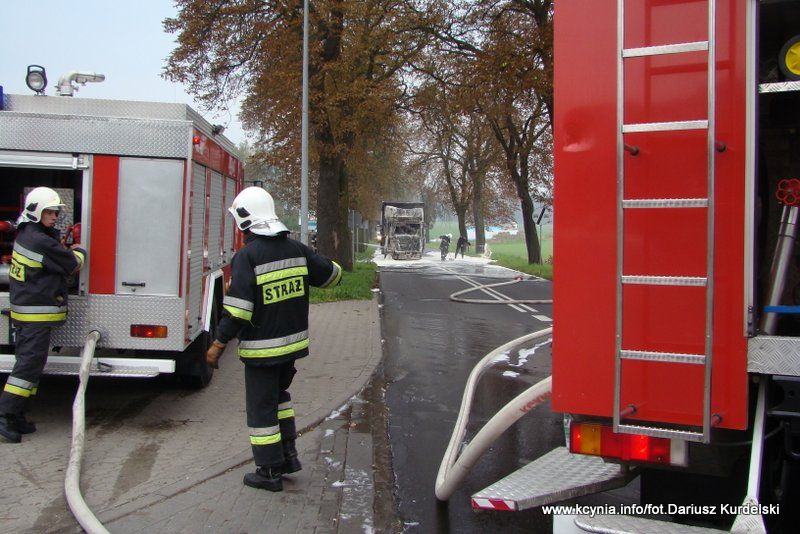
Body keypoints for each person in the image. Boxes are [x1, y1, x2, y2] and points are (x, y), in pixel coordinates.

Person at [205, 187, 342, 492]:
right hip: (292, 349)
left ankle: (268, 472)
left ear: (244, 220)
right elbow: (333, 276)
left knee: (261, 410)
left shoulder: (247, 256)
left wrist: (217, 343)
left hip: (261, 352)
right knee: (279, 401)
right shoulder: (296, 249)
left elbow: (239, 311)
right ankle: (287, 457)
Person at [0, 187, 87, 443]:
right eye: (49, 211)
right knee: (26, 367)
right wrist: (80, 248)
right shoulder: (40, 241)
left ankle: (17, 415)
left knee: (31, 366)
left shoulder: (27, 233)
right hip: (35, 315)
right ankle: (5, 414)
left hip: (29, 312)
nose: (54, 216)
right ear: (36, 211)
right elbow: (73, 264)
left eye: (55, 211)